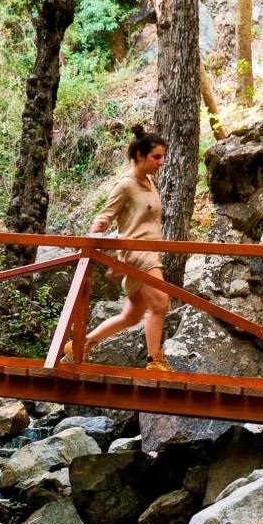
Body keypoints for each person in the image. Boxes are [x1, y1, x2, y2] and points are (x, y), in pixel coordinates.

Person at [81, 125, 172, 371]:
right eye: (156, 157)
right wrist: (99, 226)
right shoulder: (126, 184)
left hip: (150, 251)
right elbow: (107, 214)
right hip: (137, 253)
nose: (161, 162)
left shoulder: (150, 182)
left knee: (131, 316)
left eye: (162, 157)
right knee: (161, 304)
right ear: (140, 156)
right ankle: (155, 362)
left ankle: (83, 344)